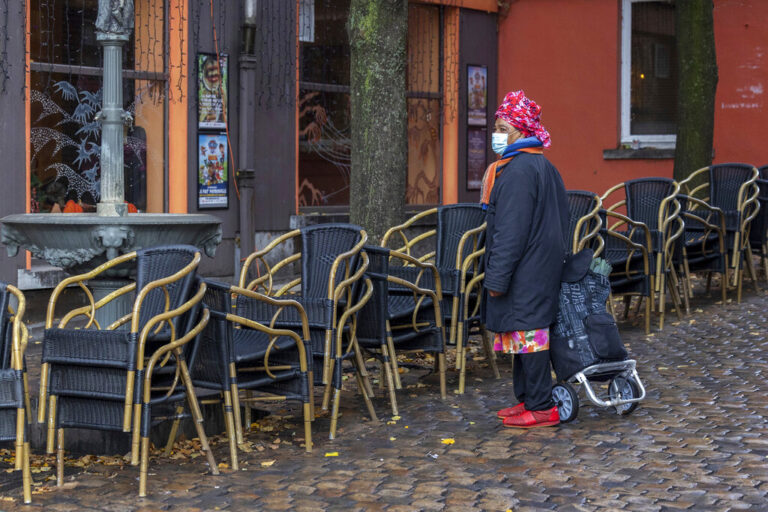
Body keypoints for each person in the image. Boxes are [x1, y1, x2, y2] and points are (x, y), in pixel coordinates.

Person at [480, 90, 569, 428]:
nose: (497, 134)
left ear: (520, 131)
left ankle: (542, 406)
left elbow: (510, 233)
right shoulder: (541, 165)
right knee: (524, 337)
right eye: (497, 127)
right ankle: (527, 400)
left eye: (503, 127)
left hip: (525, 272)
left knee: (530, 339)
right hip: (539, 268)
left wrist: (496, 278)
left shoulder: (518, 171)